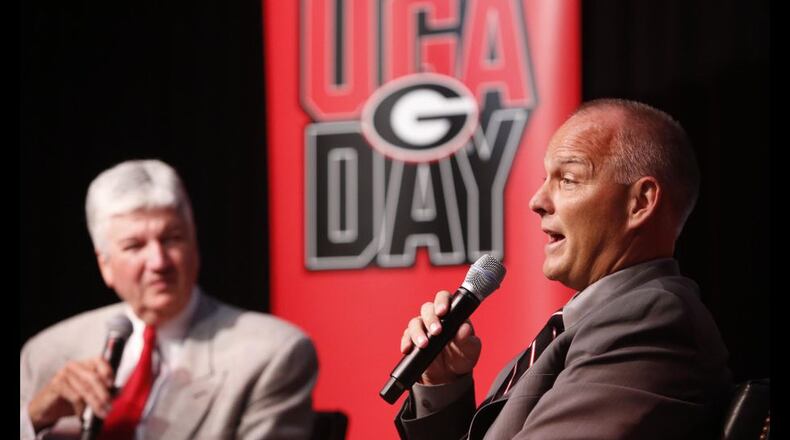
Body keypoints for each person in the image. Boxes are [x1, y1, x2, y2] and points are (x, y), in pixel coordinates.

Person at [394, 99, 732, 439]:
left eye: (568, 179)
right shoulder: (590, 323)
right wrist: (443, 384)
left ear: (640, 202)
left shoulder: (652, 319)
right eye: (545, 179)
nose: (537, 201)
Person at [20, 159, 318, 439]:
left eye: (172, 238)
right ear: (105, 266)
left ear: (195, 245)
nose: (158, 261)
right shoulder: (47, 353)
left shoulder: (271, 354)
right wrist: (34, 418)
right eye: (134, 246)